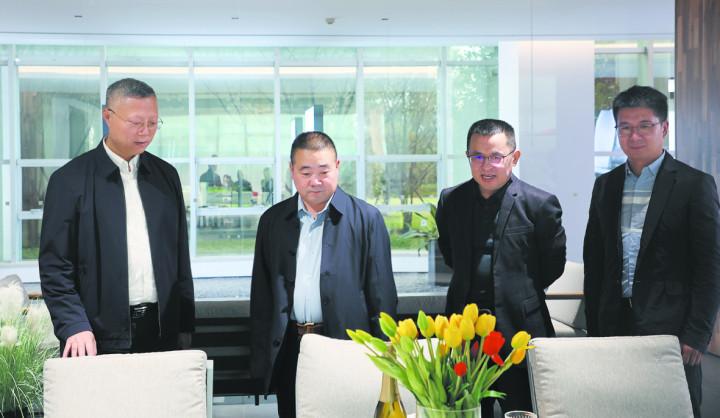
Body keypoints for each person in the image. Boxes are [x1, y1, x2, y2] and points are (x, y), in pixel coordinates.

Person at [583, 85, 720, 418]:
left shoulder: (694, 184)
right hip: (614, 323)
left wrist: (698, 333)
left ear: (664, 128)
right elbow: (595, 261)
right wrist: (594, 328)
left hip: (672, 329)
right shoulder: (606, 185)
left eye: (645, 125)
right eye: (625, 127)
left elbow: (710, 266)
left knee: (673, 409)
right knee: (615, 408)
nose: (634, 136)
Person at [39, 78, 195, 357]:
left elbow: (180, 258)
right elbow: (55, 266)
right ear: (107, 116)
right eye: (136, 122)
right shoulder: (69, 180)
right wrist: (74, 325)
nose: (145, 131)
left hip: (161, 330)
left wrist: (185, 325)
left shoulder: (166, 177)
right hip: (94, 334)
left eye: (153, 123)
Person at [250, 131, 398, 418]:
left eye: (323, 171)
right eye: (306, 172)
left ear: (337, 167)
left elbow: (382, 298)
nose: (315, 181)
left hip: (346, 347)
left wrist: (385, 361)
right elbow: (262, 296)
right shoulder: (272, 221)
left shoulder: (367, 218)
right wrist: (260, 360)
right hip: (290, 347)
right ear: (292, 171)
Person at [435, 118, 566, 417]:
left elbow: (552, 265)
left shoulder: (540, 204)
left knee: (523, 411)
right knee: (464, 411)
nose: (486, 166)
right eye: (477, 156)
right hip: (463, 335)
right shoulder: (451, 200)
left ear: (514, 157)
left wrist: (517, 291)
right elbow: (450, 253)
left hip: (519, 330)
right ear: (468, 157)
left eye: (496, 156)